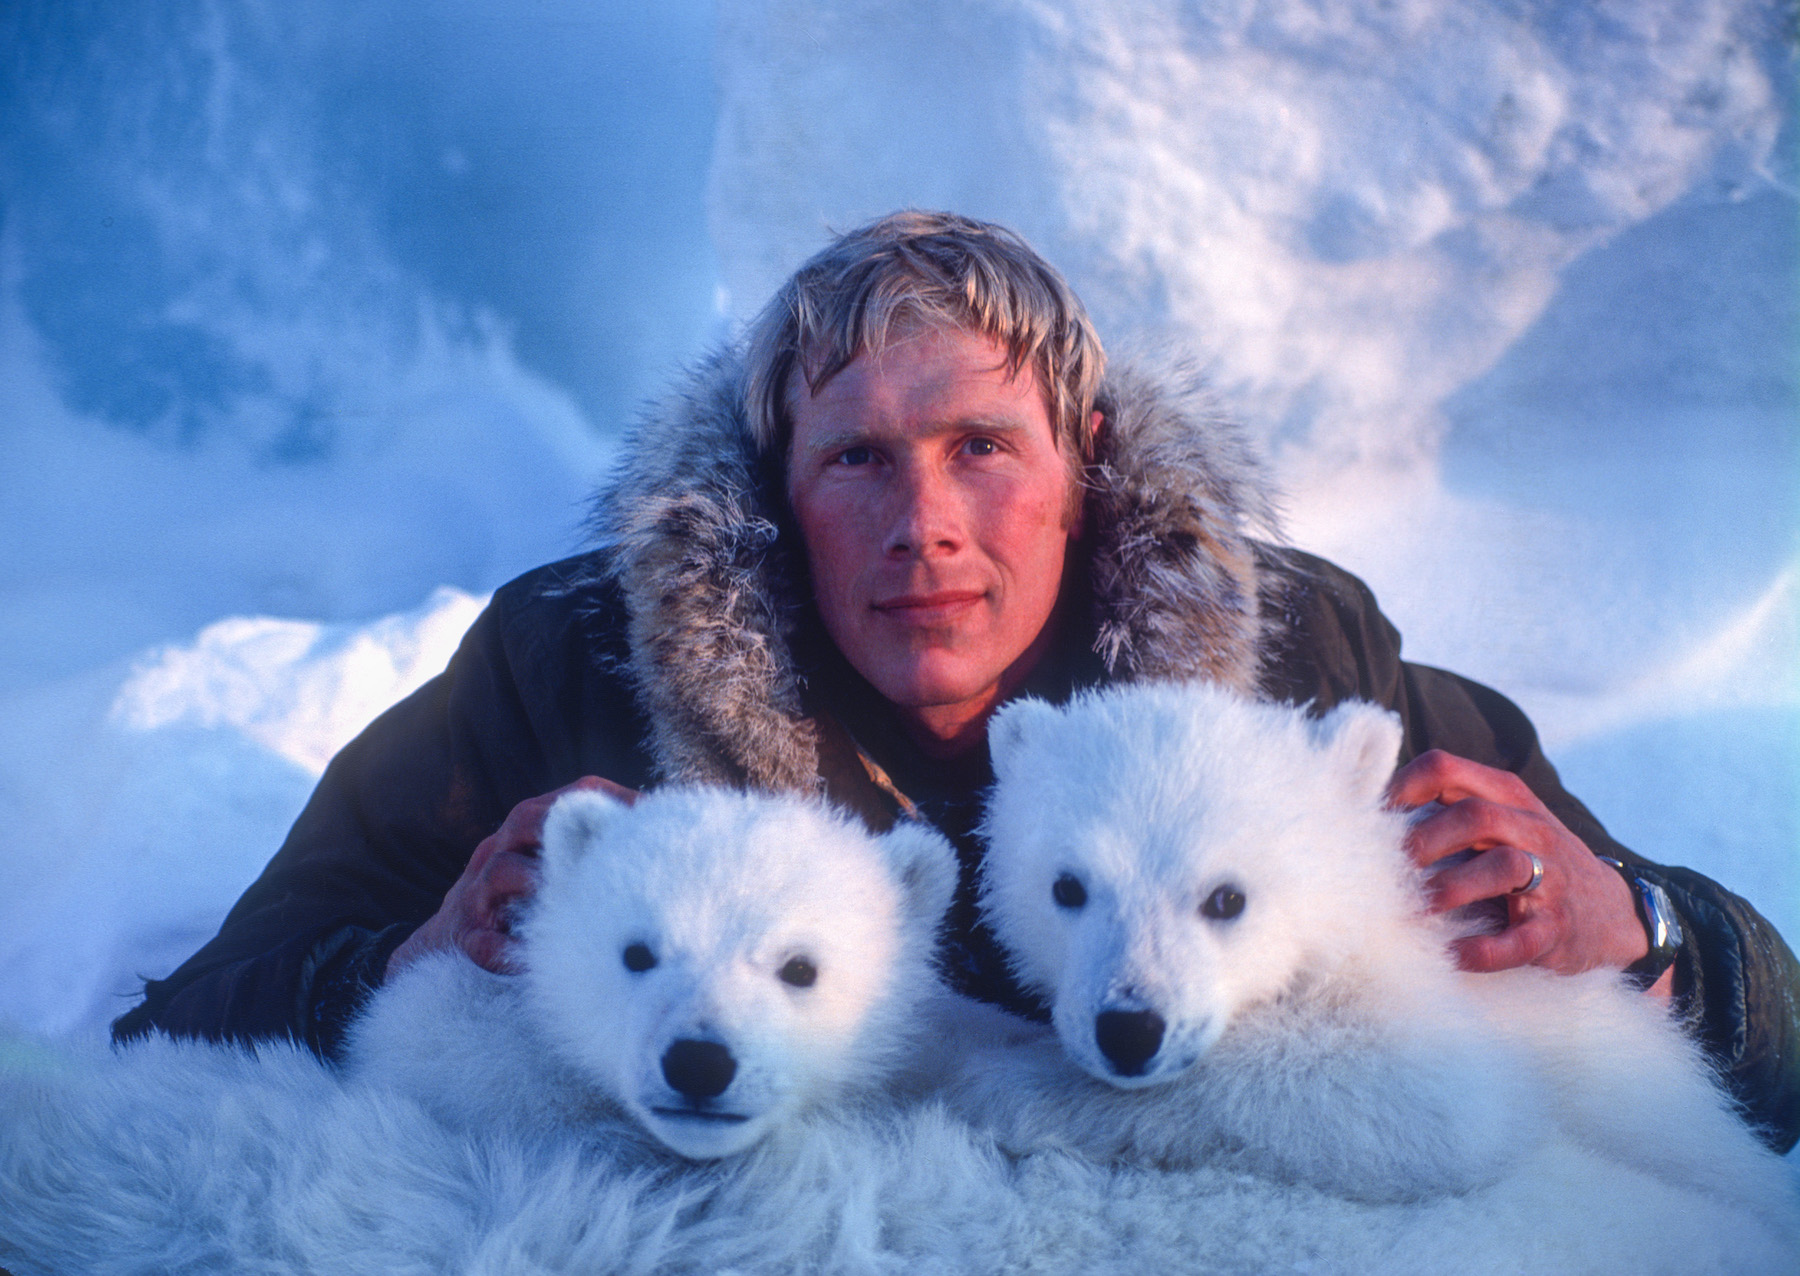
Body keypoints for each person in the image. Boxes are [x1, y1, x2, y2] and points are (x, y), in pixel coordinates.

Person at [114, 211, 1800, 1151]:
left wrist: (1644, 937)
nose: (924, 524)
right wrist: (401, 964)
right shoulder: (571, 668)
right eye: (856, 460)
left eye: (982, 446)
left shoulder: (1296, 672)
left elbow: (1773, 1059)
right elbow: (185, 1015)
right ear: (777, 493)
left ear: (1083, 467)